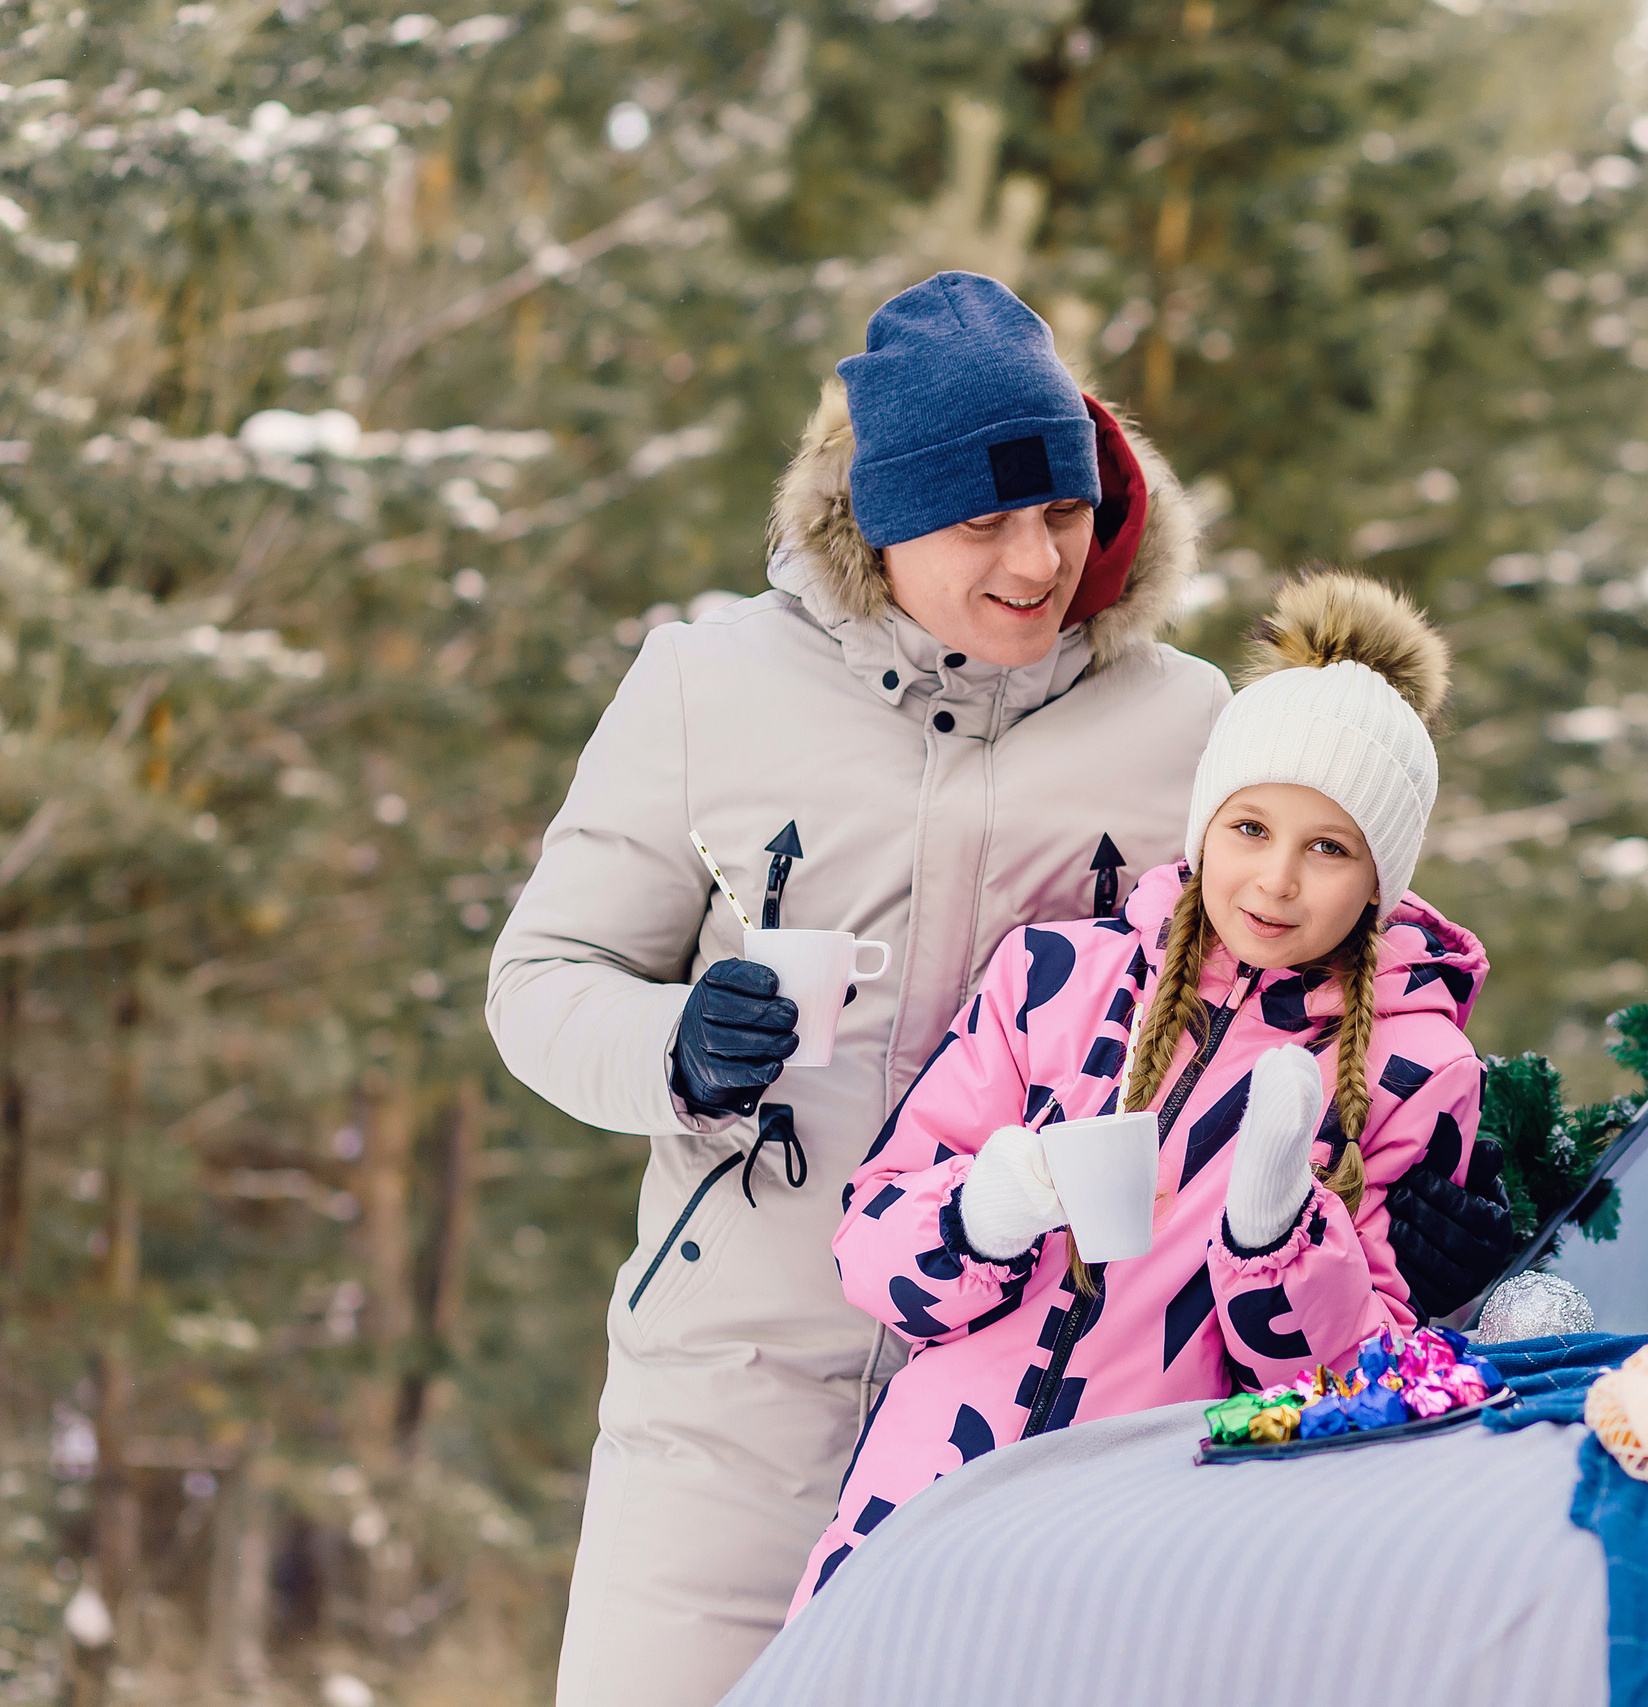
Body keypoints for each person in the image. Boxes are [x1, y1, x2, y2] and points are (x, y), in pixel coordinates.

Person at [485, 274, 1518, 1707]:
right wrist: (679, 1044)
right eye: (984, 522)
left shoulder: (1184, 723)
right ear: (883, 521)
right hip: (736, 1388)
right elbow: (540, 981)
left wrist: (1404, 1226)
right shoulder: (704, 687)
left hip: (1048, 1407)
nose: (1039, 559)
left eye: (1064, 509)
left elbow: (1317, 974)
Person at [787, 573, 1488, 1611]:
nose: (1276, 880)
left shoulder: (1415, 1069)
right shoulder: (1053, 978)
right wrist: (985, 1212)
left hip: (1149, 1547)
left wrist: (1276, 1237)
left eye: (1328, 848)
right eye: (1250, 828)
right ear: (1204, 824)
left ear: (1380, 877)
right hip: (922, 1507)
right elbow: (871, 1254)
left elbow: (1358, 1395)